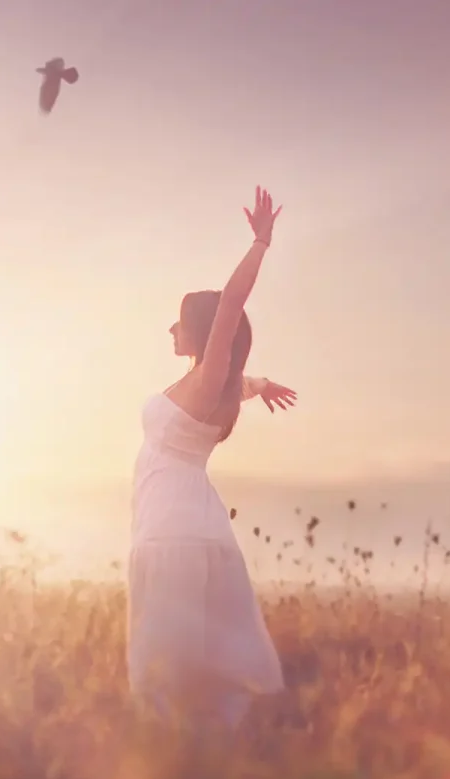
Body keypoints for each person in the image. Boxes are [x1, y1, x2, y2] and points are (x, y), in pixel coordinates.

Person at [127, 185, 290, 732]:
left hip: (176, 533)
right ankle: (208, 761)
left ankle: (187, 772)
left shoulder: (207, 379)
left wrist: (260, 242)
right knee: (184, 674)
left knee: (167, 677)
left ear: (199, 329)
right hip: (180, 529)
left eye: (178, 321)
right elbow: (237, 384)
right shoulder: (205, 385)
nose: (170, 329)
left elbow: (232, 307)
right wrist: (262, 384)